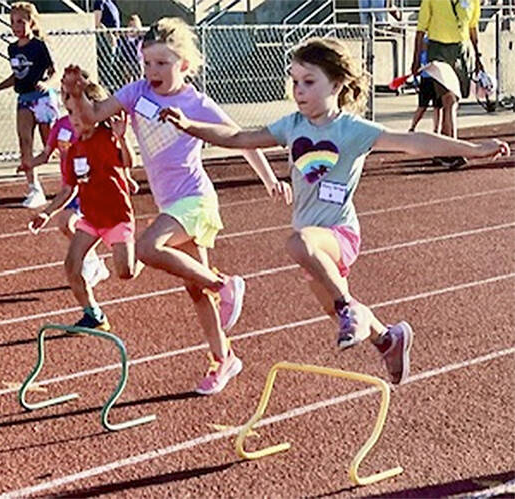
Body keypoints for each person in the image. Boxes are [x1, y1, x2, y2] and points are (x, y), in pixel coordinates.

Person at [159, 37, 510, 385]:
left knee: (300, 248)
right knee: (327, 302)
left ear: (338, 83)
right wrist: (189, 126)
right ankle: (388, 338)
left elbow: (412, 141)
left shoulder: (352, 130)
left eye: (309, 82)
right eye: (295, 81)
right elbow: (238, 138)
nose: (298, 90)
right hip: (316, 251)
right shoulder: (292, 125)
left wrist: (475, 148)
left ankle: (348, 308)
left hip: (338, 235)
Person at [61, 17, 292, 395]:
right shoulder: (137, 92)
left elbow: (240, 138)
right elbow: (91, 116)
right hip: (169, 200)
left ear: (183, 64)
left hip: (195, 199)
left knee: (150, 249)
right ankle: (224, 360)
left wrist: (270, 179)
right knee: (195, 290)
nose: (153, 71)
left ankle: (226, 283)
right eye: (148, 63)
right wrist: (78, 90)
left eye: (162, 64)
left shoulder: (196, 103)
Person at [30, 88, 143, 330]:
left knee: (126, 272)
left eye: (79, 111)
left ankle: (143, 251)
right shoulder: (74, 150)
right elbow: (68, 189)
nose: (74, 118)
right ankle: (94, 314)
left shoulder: (108, 136)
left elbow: (128, 163)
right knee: (71, 265)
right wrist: (47, 212)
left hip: (116, 217)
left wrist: (122, 138)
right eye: (70, 112)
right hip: (91, 219)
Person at [25, 77, 123, 288]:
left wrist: (128, 178)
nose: (65, 97)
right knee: (67, 225)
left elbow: (115, 157)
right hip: (72, 184)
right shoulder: (60, 125)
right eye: (63, 93)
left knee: (67, 222)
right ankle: (93, 261)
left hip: (89, 186)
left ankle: (93, 260)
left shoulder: (96, 128)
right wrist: (29, 164)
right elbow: (46, 153)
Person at [0, 1, 59, 208]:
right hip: (23, 98)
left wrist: (47, 84)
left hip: (42, 99)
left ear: (31, 22)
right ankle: (34, 188)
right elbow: (17, 75)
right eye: (12, 22)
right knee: (24, 140)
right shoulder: (12, 48)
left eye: (20, 22)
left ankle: (72, 183)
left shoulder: (40, 46)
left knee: (51, 145)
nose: (16, 27)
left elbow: (55, 71)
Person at [412, 0, 483, 166]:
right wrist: (416, 59)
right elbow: (420, 30)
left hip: (461, 51)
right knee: (448, 100)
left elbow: (473, 27)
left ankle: (442, 150)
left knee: (453, 101)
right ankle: (453, 149)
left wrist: (478, 57)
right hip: (438, 49)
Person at [409, 36, 441, 133]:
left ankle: (436, 129)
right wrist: (415, 80)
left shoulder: (437, 45)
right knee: (422, 106)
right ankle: (412, 127)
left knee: (437, 106)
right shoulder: (422, 53)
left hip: (436, 78)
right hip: (426, 79)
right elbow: (417, 67)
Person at [93, 0, 121, 92]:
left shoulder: (111, 2)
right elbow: (96, 23)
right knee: (105, 67)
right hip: (106, 41)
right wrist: (108, 34)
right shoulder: (99, 2)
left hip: (114, 39)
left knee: (111, 66)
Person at [114, 14, 144, 89]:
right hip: (126, 61)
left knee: (138, 74)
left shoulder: (140, 39)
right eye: (130, 26)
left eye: (135, 27)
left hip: (137, 61)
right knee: (127, 76)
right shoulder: (124, 39)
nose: (132, 29)